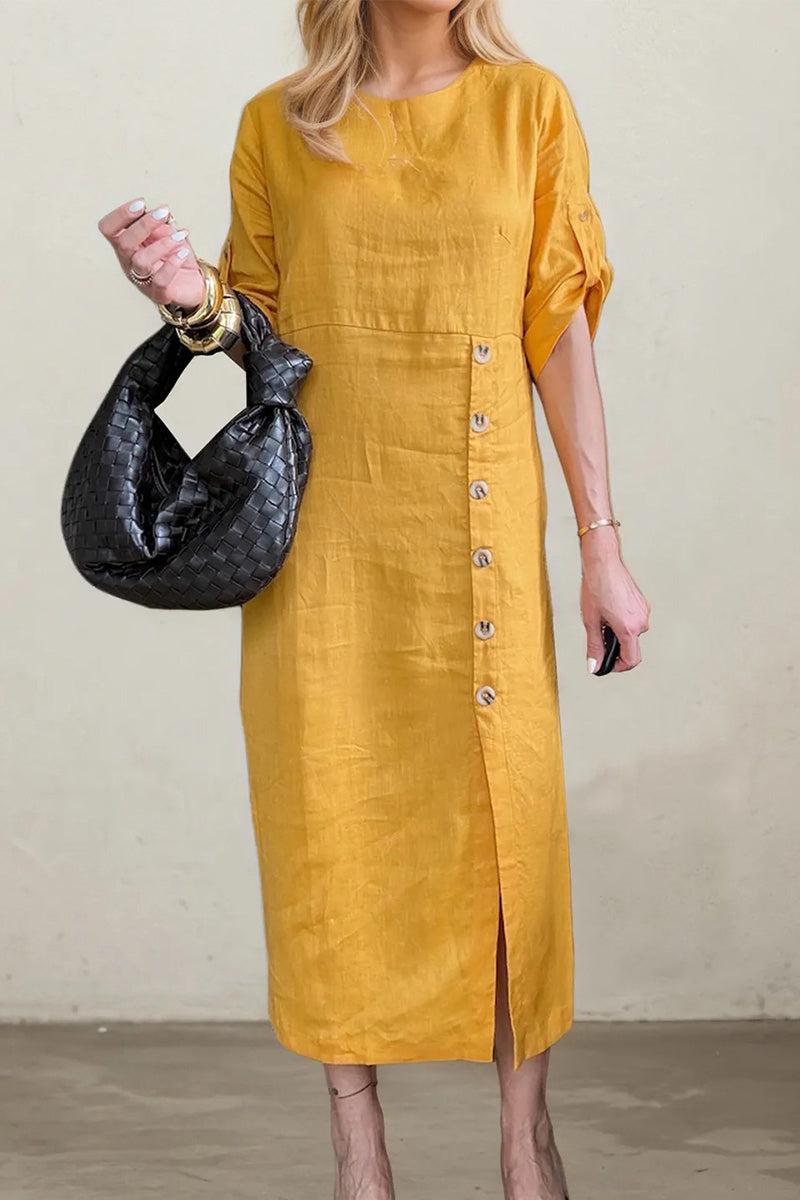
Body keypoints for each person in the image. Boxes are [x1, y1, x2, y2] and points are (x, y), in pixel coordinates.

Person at [97, 2, 650, 1197]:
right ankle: (359, 1155)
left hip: (479, 528)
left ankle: (525, 1144)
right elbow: (260, 344)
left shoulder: (528, 106)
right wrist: (184, 294)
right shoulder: (279, 125)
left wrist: (601, 542)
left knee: (507, 823)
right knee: (330, 817)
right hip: (329, 542)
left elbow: (557, 331)